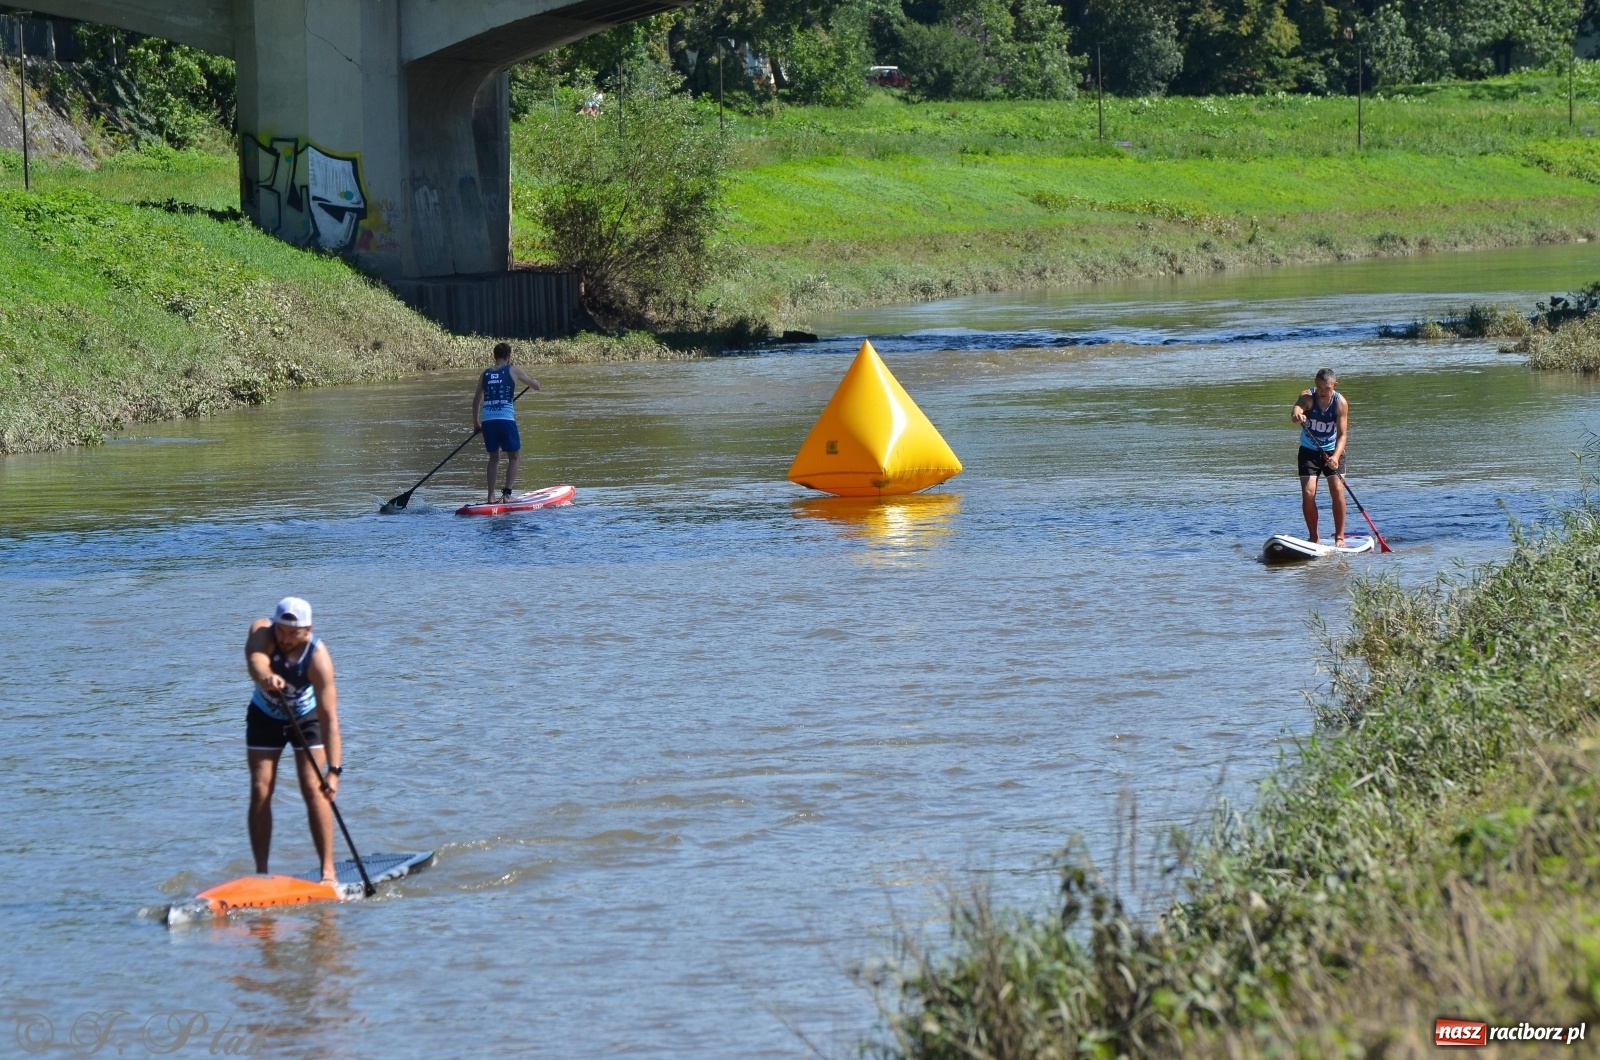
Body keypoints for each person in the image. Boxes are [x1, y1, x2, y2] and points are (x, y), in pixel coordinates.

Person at [245, 597, 342, 885]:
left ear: (308, 629)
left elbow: (330, 720)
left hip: (305, 718)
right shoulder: (263, 632)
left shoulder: (318, 658)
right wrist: (266, 677)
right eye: (281, 631)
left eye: (293, 633)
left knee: (315, 789)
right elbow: (255, 660)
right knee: (261, 789)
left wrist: (334, 772)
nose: (285, 639)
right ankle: (261, 874)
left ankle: (327, 872)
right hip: (264, 716)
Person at [472, 342, 541, 504]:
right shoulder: (513, 370)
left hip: (488, 420)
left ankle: (490, 497)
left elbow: (476, 402)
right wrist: (535, 382)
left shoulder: (485, 373)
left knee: (494, 458)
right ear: (508, 357)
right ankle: (507, 495)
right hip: (505, 419)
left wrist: (476, 424)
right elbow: (535, 387)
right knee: (514, 457)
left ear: (494, 356)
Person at [1290, 367, 1349, 545]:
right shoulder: (1308, 397)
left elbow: (1342, 435)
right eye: (1320, 387)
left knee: (1337, 490)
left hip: (1333, 450)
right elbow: (1295, 411)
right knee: (1308, 493)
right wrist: (1297, 416)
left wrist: (1336, 457)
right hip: (1309, 451)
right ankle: (1314, 538)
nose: (1323, 392)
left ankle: (1339, 537)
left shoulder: (1340, 403)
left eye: (1327, 388)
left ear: (1335, 385)